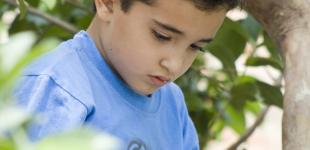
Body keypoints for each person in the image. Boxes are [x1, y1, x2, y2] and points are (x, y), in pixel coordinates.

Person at [14, 0, 240, 149]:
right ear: (108, 3)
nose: (175, 64)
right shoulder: (56, 89)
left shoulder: (173, 104)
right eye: (161, 36)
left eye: (195, 47)